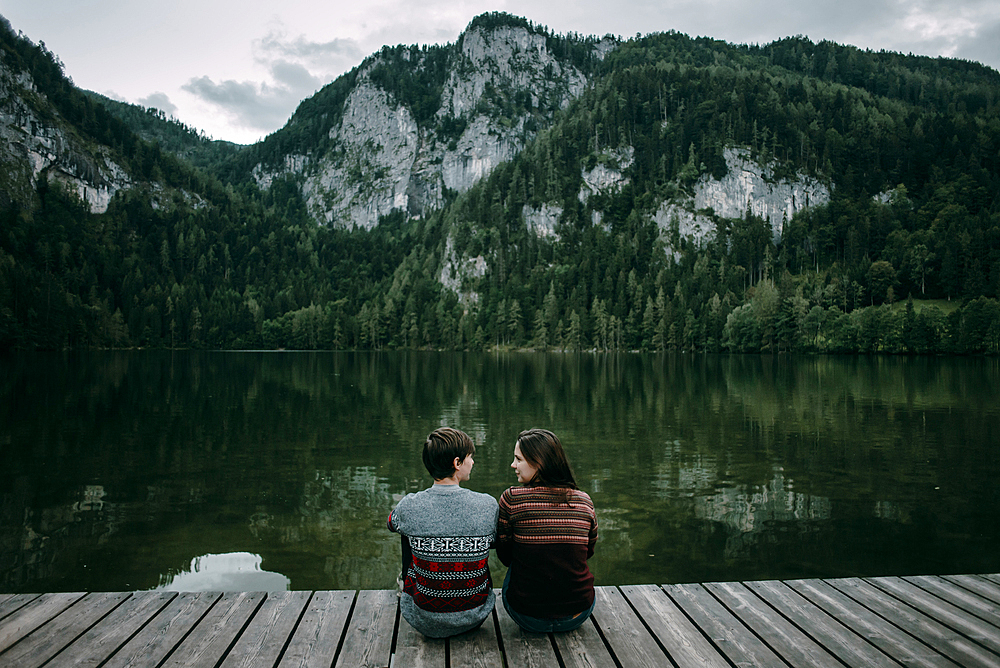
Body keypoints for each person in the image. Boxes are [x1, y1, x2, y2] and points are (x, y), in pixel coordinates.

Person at [387, 427, 499, 638]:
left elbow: (391, 523)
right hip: (476, 614)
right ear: (457, 463)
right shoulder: (487, 504)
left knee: (406, 529)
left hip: (424, 619)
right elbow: (494, 541)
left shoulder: (410, 504)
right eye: (470, 457)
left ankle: (408, 585)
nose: (472, 462)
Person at [497, 428, 598, 633]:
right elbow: (588, 552)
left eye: (518, 459)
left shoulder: (512, 499)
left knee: (518, 562)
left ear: (538, 463)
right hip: (578, 614)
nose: (513, 465)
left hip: (526, 616)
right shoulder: (584, 500)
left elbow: (505, 555)